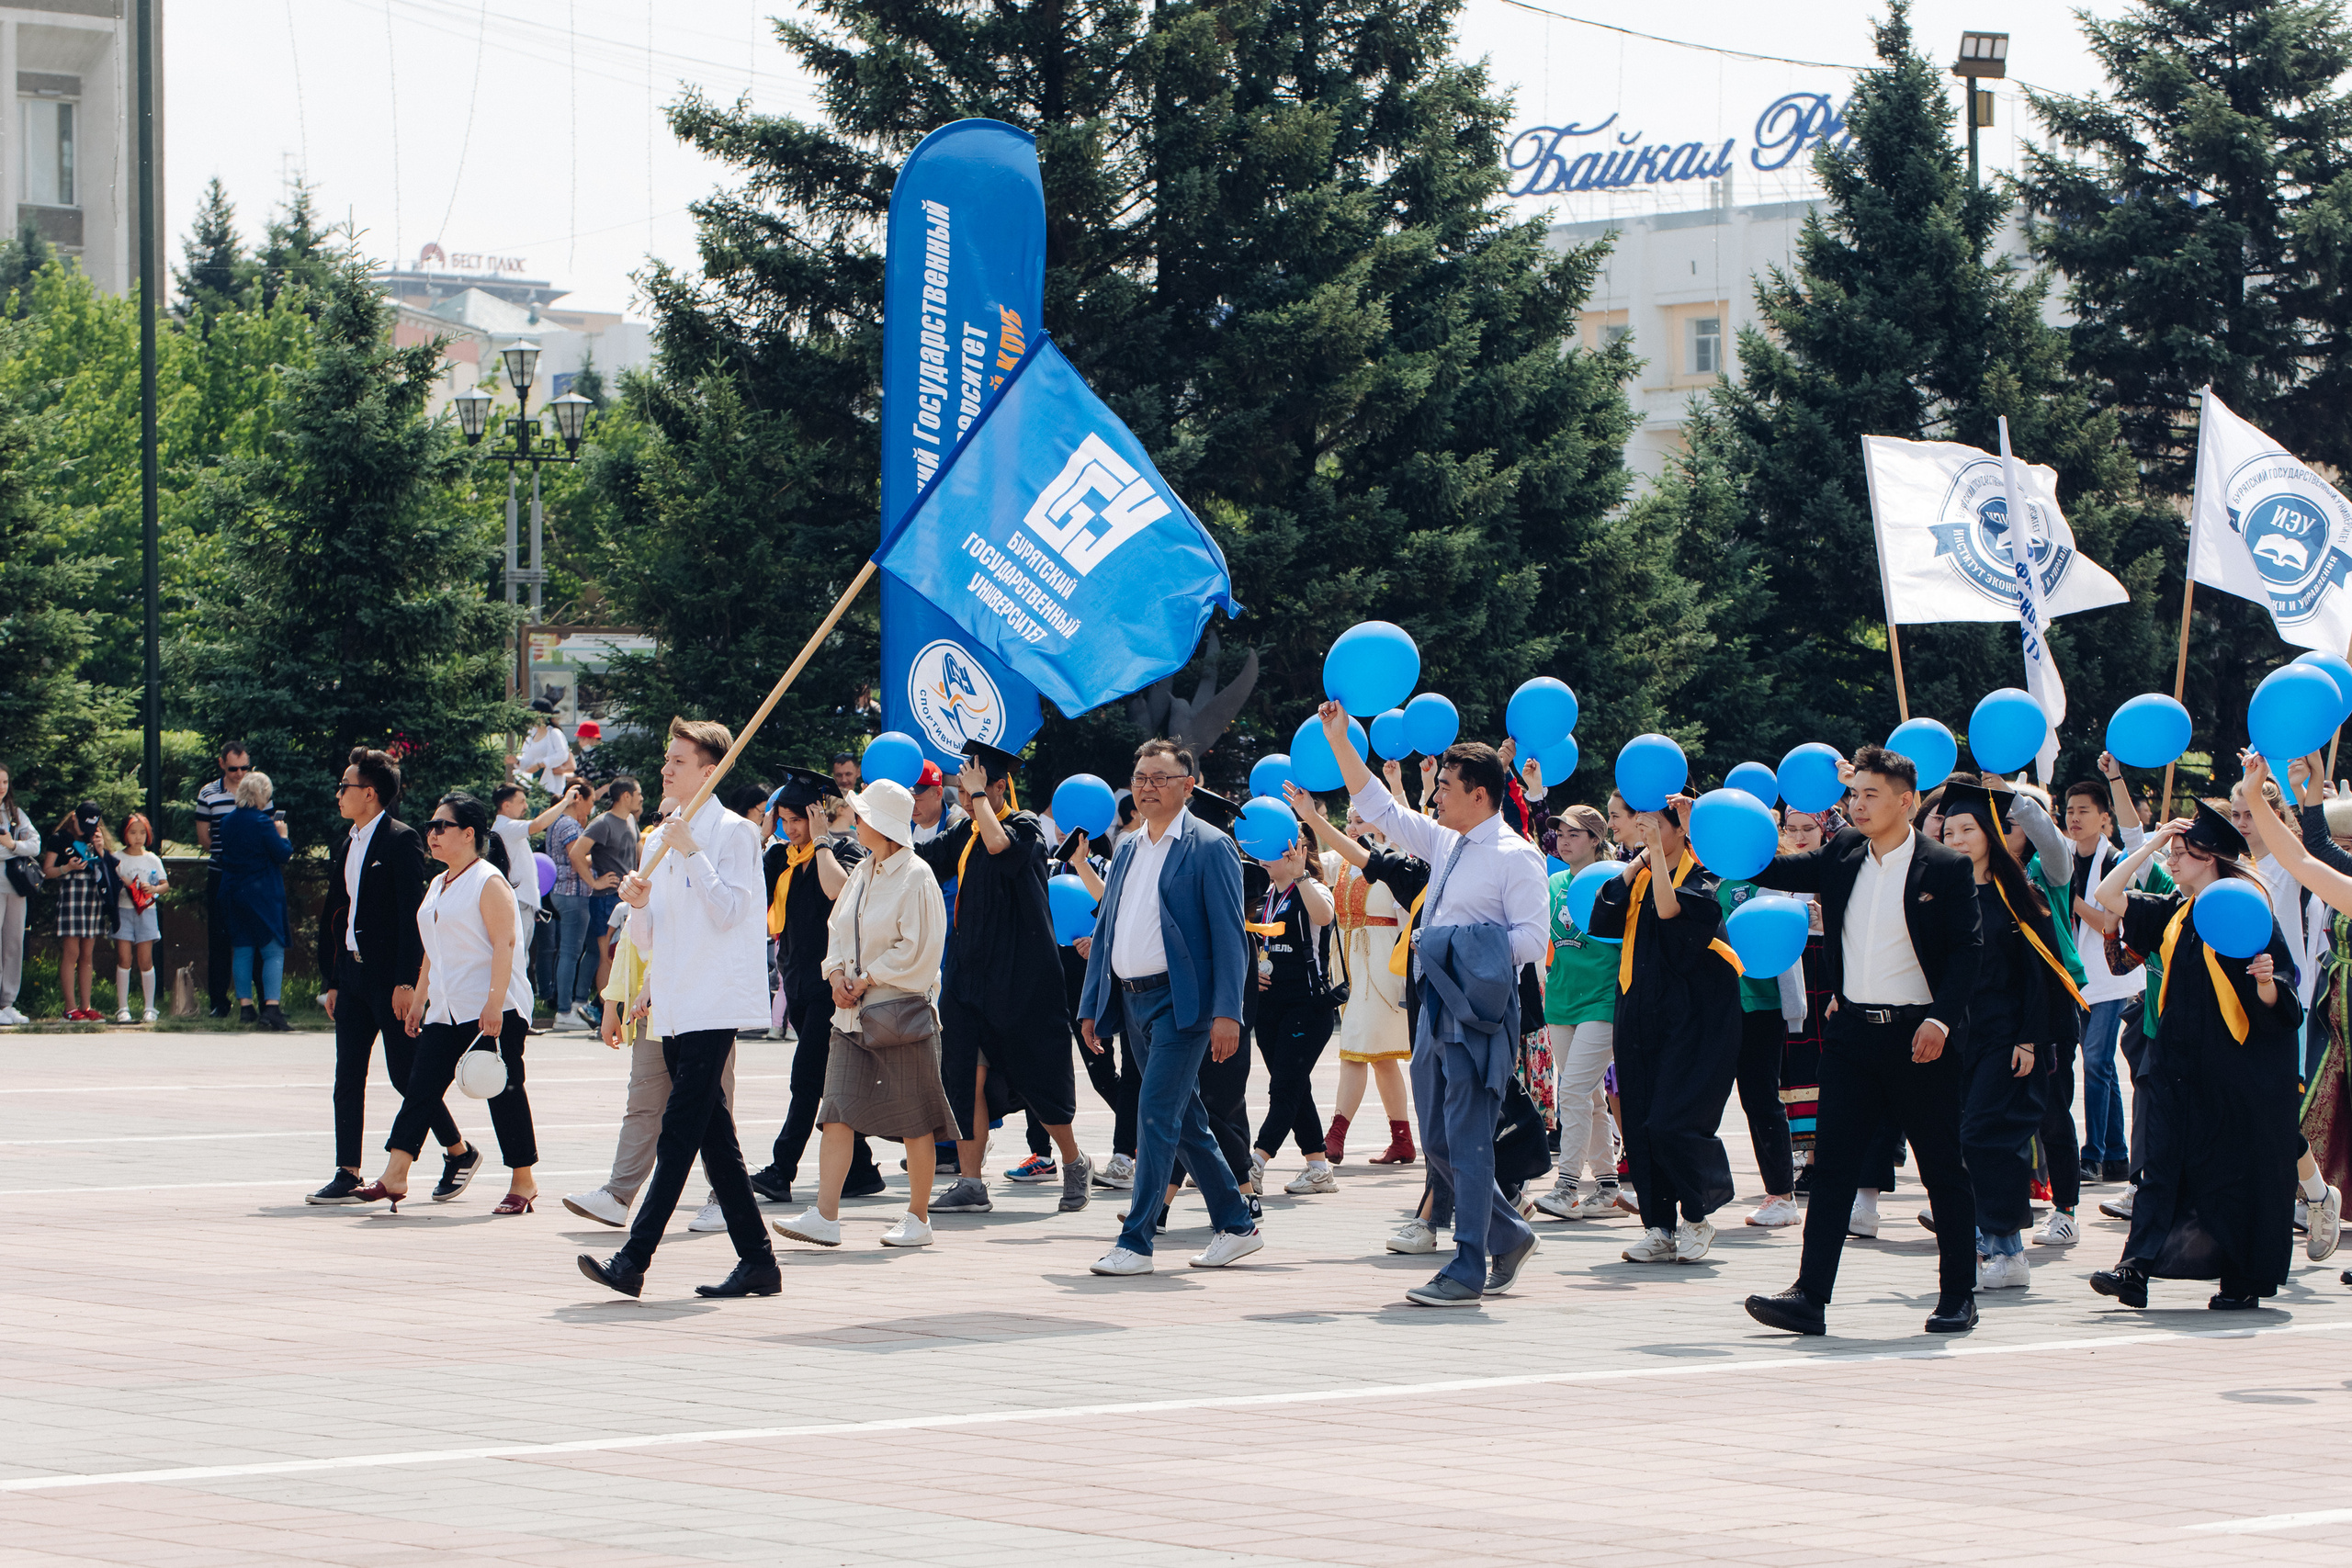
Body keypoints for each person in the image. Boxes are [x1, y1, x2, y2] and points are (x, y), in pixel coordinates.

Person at [1742, 745, 1984, 1337]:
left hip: (1920, 1038)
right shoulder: (1845, 852)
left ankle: (1958, 1294)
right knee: (1832, 1170)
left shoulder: (1945, 866)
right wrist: (1710, 824)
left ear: (1907, 801)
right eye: (1855, 794)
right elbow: (1774, 869)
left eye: (1871, 794)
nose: (1858, 803)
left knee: (1942, 1169)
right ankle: (1808, 1296)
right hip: (1852, 1034)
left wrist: (1942, 1021)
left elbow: (1968, 954)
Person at [1323, 702, 1545, 1307]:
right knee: (1441, 1143)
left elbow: (1531, 939)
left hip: (1478, 1015)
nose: (1436, 794)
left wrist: (1447, 942)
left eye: (1445, 785)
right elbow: (1379, 809)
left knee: (1470, 1140)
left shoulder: (1516, 854)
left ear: (1478, 793)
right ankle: (1510, 1233)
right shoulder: (1448, 841)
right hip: (1433, 1010)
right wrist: (1340, 741)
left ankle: (1468, 1265)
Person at [578, 717, 782, 1300]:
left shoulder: (736, 835)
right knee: (713, 1134)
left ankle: (634, 1258)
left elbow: (731, 914)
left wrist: (693, 854)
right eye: (666, 761)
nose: (665, 769)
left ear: (709, 772)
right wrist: (639, 906)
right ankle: (758, 1262)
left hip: (713, 1000)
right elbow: (649, 939)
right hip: (673, 998)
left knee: (679, 1130)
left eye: (678, 762)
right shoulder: (656, 837)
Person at [2091, 782, 2303, 1311]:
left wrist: (2264, 983)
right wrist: (2151, 841)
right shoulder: (2175, 914)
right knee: (2159, 1167)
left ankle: (2239, 1278)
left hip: (2231, 1073)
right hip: (2173, 1066)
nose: (2173, 861)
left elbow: (2283, 998)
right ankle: (2134, 1270)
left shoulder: (2246, 912)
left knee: (2227, 1175)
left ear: (2211, 860)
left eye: (2182, 854)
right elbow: (2107, 896)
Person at [1077, 739, 1262, 1275]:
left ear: (1186, 785)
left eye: (1159, 778)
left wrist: (1228, 1013)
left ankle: (1136, 1241)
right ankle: (1236, 1222)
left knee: (1154, 1115)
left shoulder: (1209, 845)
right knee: (1184, 1122)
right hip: (1132, 1001)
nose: (1147, 787)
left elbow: (1231, 937)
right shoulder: (1129, 847)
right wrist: (1092, 1004)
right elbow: (1107, 930)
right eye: (1139, 777)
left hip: (1183, 1005)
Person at [913, 740, 1093, 1213]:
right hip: (969, 978)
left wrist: (973, 799)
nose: (970, 796)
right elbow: (923, 857)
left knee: (1038, 1076)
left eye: (979, 787)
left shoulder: (1025, 825)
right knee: (965, 1077)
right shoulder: (965, 835)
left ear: (998, 787)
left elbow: (1001, 846)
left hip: (1022, 981)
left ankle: (1074, 1161)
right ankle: (971, 1182)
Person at [773, 778, 953, 1250]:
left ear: (881, 824)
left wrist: (866, 978)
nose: (854, 819)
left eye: (862, 814)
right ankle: (825, 1215)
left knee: (916, 1119)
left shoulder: (917, 875)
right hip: (851, 1016)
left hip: (900, 1015)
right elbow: (837, 930)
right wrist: (836, 976)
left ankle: (918, 1217)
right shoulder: (864, 869)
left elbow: (922, 950)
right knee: (835, 1111)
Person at [353, 793, 539, 1213]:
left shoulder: (488, 881)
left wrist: (494, 1005)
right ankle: (395, 1174)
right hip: (446, 1007)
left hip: (494, 1008)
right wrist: (420, 999)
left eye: (441, 827)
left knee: (504, 1092)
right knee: (420, 1088)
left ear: (468, 833)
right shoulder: (439, 883)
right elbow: (431, 949)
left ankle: (523, 1182)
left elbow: (504, 944)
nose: (431, 834)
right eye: (431, 826)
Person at [310, 748, 475, 1206]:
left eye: (345, 786)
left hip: (389, 980)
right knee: (348, 1075)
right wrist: (334, 978)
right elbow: (336, 912)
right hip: (352, 974)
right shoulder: (347, 841)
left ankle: (458, 1151)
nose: (339, 794)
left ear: (369, 793)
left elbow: (411, 916)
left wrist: (407, 982)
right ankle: (347, 1170)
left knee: (407, 1075)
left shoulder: (401, 840)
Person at [1933, 782, 2081, 1292]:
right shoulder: (1941, 895)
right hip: (1958, 1037)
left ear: (1991, 834)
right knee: (1961, 1139)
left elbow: (2040, 974)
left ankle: (2009, 1250)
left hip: (2009, 1036)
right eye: (1948, 830)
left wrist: (2031, 1038)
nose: (1957, 838)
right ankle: (1980, 1244)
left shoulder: (2019, 893)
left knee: (1988, 1137)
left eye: (1968, 829)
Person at [1588, 794, 1744, 1263]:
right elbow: (1602, 919)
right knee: (1638, 1122)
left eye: (1655, 822)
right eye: (1642, 820)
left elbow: (1676, 923)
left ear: (1680, 828)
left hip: (1695, 1018)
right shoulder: (1635, 877)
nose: (1643, 826)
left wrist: (1655, 856)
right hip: (1638, 1011)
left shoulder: (1703, 877)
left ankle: (1697, 1216)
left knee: (1674, 1120)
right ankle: (1659, 1226)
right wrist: (1637, 866)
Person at [747, 767, 881, 1207]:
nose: (791, 829)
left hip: (833, 988)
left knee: (805, 1080)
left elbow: (838, 893)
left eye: (797, 820)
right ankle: (860, 1170)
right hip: (798, 987)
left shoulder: (843, 851)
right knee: (827, 1082)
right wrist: (764, 832)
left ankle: (781, 1169)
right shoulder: (780, 856)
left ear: (817, 816)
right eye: (784, 820)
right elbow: (748, 889)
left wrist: (822, 839)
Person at [1289, 794, 1416, 1167]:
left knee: (1355, 1049)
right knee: (1380, 1058)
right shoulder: (1341, 863)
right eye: (1349, 820)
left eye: (1360, 820)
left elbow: (1409, 924)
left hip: (1383, 971)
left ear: (1381, 823)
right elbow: (1306, 864)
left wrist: (1407, 979)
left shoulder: (1397, 864)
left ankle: (1335, 1136)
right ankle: (1403, 1140)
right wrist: (1296, 825)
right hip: (1350, 970)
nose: (1352, 827)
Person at [1532, 803, 1623, 1222]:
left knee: (1571, 1090)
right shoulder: (1552, 883)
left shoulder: (1615, 880)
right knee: (1588, 1095)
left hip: (1603, 999)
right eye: (1561, 834)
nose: (1564, 841)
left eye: (1574, 834)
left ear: (1595, 840)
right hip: (1561, 999)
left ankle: (1567, 1184)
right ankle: (1606, 1188)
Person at [1245, 829, 1339, 1194]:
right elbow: (1254, 941)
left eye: (1274, 848)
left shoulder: (1312, 887)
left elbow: (1324, 915)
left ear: (1296, 851)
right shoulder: (1264, 894)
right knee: (1295, 1085)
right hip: (1269, 1007)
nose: (1263, 855)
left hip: (1307, 1005)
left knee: (1283, 1086)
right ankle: (1318, 1166)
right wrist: (1253, 966)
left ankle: (1255, 1161)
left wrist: (1301, 875)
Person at [215, 774, 293, 1031]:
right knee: (272, 950)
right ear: (261, 795)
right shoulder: (262, 822)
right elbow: (282, 854)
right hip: (262, 894)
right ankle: (271, 1007)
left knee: (243, 949)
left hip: (233, 893)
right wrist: (282, 835)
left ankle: (246, 1007)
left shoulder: (226, 822)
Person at [41, 801, 114, 1021]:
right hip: (71, 895)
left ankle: (86, 1006)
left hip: (92, 897)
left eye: (92, 826)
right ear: (74, 817)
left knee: (87, 954)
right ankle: (70, 1007)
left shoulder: (95, 837)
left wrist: (101, 850)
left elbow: (112, 869)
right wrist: (67, 867)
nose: (86, 830)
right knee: (71, 953)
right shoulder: (60, 838)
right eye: (83, 824)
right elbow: (47, 871)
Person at [194, 742, 253, 1017]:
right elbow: (204, 837)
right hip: (221, 872)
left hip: (252, 876)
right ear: (222, 764)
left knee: (255, 937)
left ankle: (262, 1002)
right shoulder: (209, 792)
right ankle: (219, 1001)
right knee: (218, 939)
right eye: (233, 768)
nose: (240, 773)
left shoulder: (258, 790)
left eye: (245, 768)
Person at [583, 778, 643, 1011]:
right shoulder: (602, 822)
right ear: (626, 796)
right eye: (638, 793)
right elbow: (577, 852)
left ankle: (619, 1008)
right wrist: (595, 882)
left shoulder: (631, 820)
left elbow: (640, 854)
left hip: (628, 897)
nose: (641, 798)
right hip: (606, 898)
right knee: (607, 956)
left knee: (627, 954)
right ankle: (600, 1009)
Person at [545, 781, 601, 1029]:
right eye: (590, 801)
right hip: (573, 892)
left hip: (567, 893)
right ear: (578, 798)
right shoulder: (567, 823)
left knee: (588, 949)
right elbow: (576, 856)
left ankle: (577, 1004)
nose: (591, 808)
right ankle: (566, 1011)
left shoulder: (558, 821)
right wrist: (601, 853)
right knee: (570, 952)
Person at [108, 812, 168, 1023]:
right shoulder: (118, 858)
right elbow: (111, 883)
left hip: (147, 912)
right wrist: (123, 884)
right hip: (123, 911)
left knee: (145, 959)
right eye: (133, 832)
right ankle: (122, 1008)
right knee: (124, 958)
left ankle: (150, 1008)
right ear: (125, 834)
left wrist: (152, 889)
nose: (138, 837)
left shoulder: (152, 858)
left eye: (142, 832)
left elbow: (165, 885)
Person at [0, 763, 37, 1026]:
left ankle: (7, 1002)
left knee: (14, 943)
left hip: (16, 884)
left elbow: (35, 844)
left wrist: (12, 845)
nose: (1, 787)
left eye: (4, 782)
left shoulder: (15, 813)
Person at [512, 698, 573, 796]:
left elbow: (562, 755)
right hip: (535, 784)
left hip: (551, 786)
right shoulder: (531, 734)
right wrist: (517, 761)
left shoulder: (554, 733)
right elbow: (528, 758)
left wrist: (541, 764)